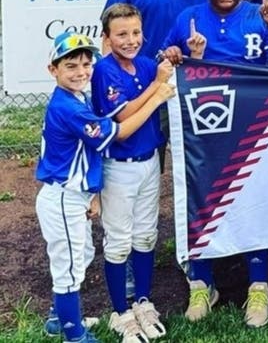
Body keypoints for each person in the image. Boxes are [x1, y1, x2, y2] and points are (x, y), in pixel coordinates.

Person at [161, 0, 268, 328]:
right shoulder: (188, 18)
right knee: (200, 197)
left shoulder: (259, 15)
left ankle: (258, 286)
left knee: (253, 199)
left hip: (252, 127)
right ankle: (202, 282)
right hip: (204, 131)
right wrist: (177, 54)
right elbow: (164, 60)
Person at [36, 32, 174, 343]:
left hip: (75, 194)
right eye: (70, 66)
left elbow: (89, 153)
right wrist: (157, 97)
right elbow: (121, 130)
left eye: (86, 64)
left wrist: (95, 193)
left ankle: (61, 318)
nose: (81, 72)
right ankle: (74, 334)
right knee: (68, 266)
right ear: (53, 69)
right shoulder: (70, 108)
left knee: (81, 256)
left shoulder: (77, 98)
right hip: (62, 196)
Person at [91, 4, 175, 343]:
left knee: (146, 235)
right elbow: (122, 119)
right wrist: (157, 89)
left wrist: (160, 79)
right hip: (119, 167)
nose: (130, 40)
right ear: (108, 38)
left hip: (148, 162)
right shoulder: (103, 70)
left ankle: (142, 301)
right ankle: (120, 311)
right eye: (121, 34)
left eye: (136, 32)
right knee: (119, 240)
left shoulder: (145, 64)